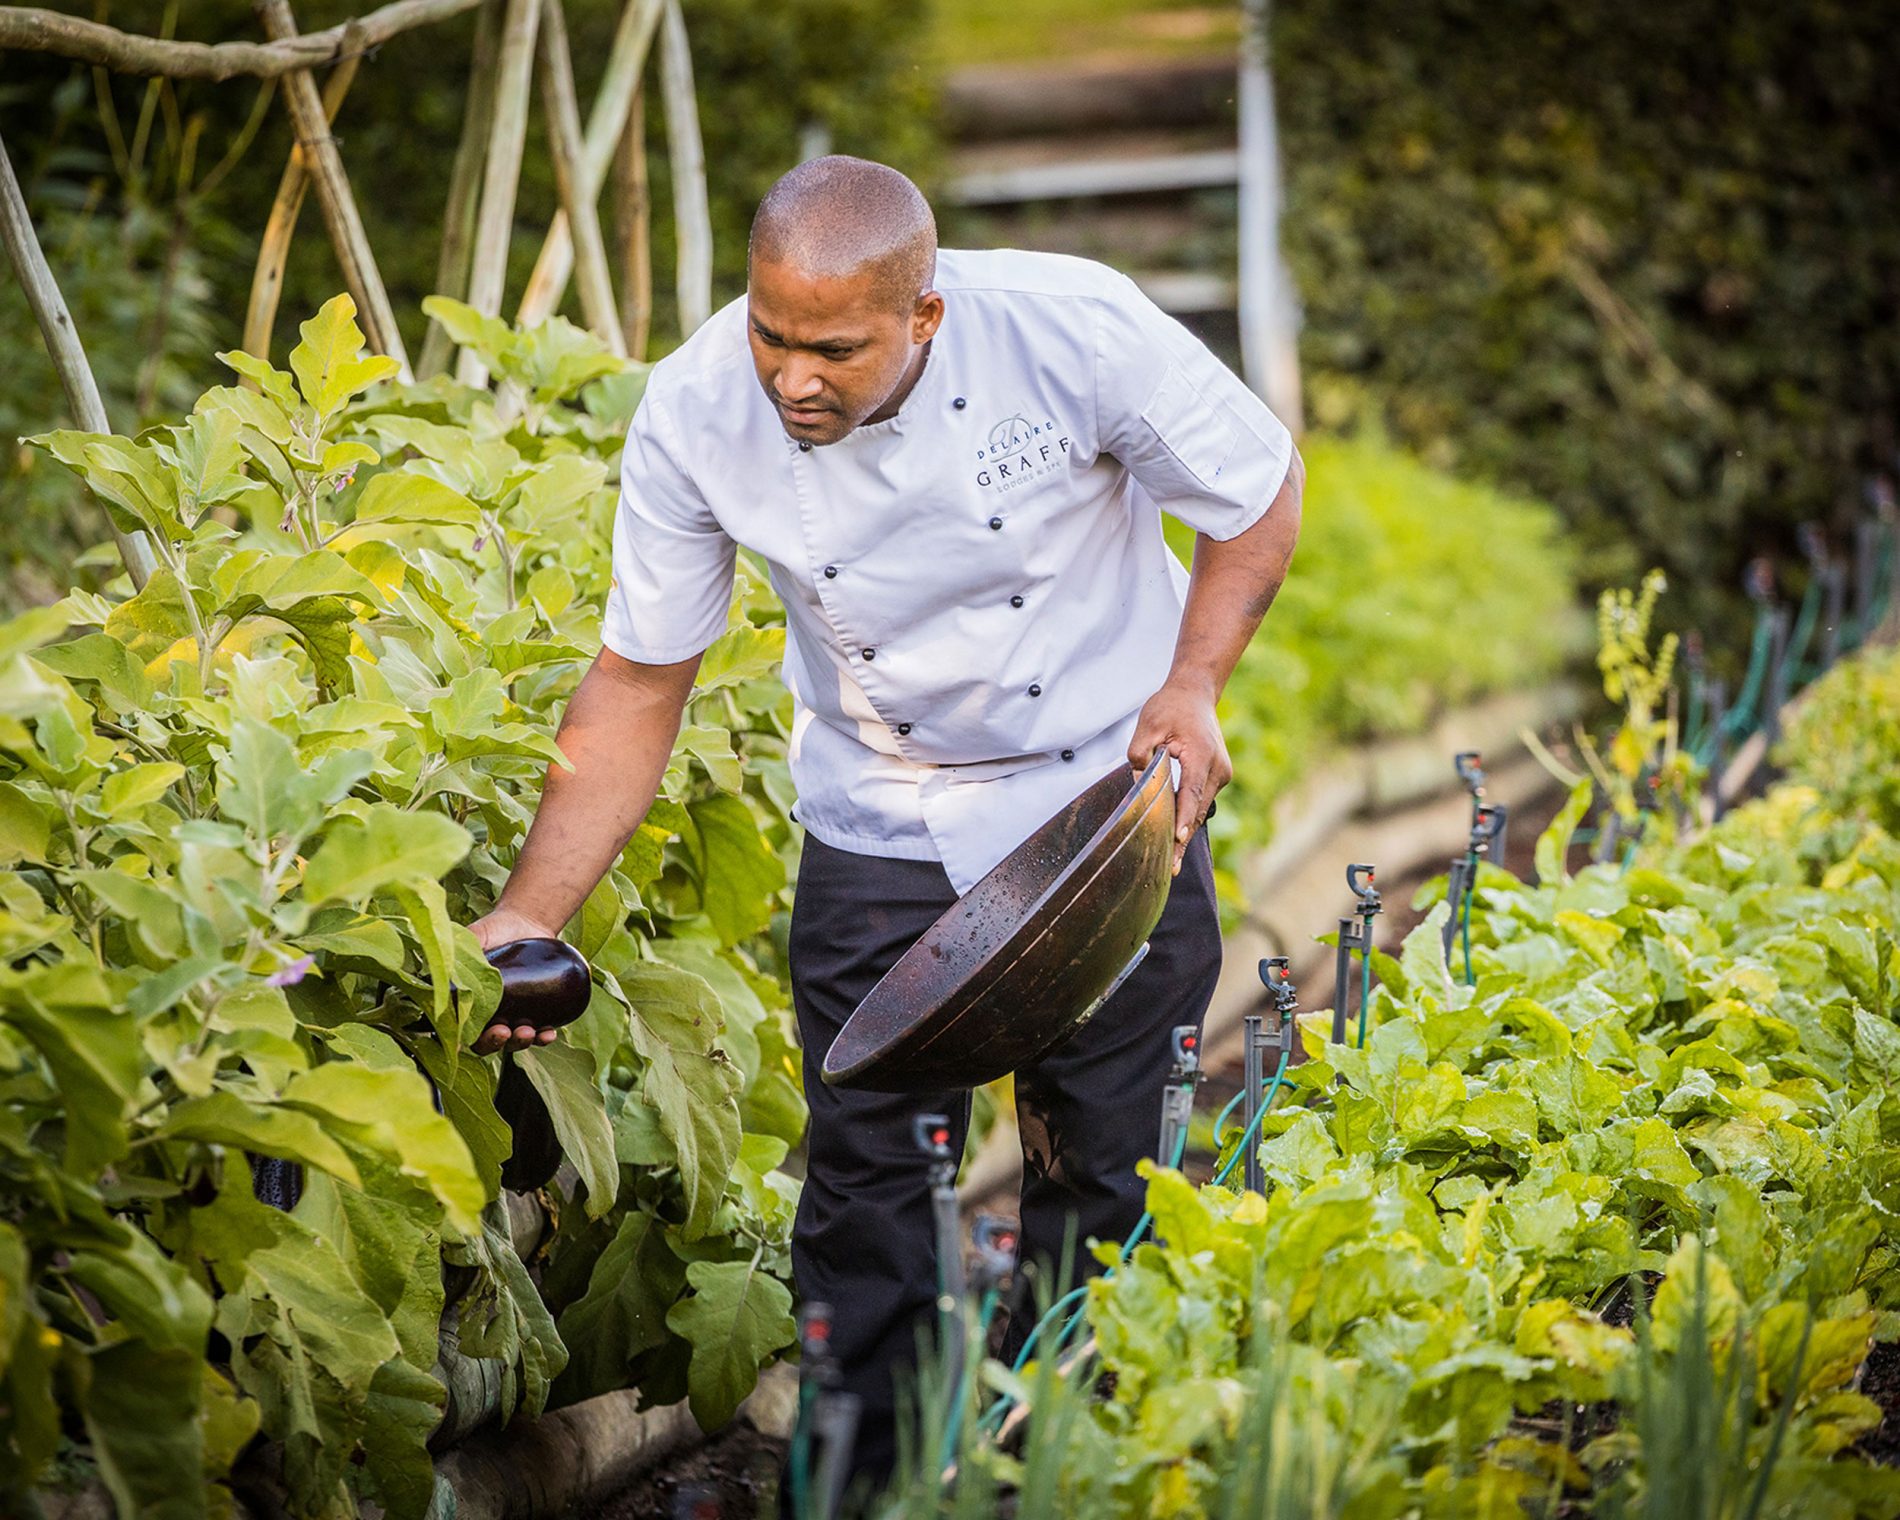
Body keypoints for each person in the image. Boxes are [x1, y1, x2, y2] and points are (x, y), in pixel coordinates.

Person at [470, 155, 1303, 1487]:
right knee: (867, 1193)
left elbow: (1255, 492)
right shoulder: (696, 410)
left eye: (836, 348)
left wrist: (1192, 684)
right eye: (772, 335)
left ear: (924, 316)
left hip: (1107, 794)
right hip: (886, 807)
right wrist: (527, 915)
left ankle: (1074, 1471)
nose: (793, 377)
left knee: (1105, 1174)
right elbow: (638, 682)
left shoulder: (1069, 329)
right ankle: (869, 1484)